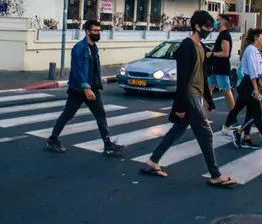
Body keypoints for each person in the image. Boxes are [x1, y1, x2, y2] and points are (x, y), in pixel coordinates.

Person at [140, 10, 237, 188]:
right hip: (189, 96)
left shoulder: (201, 47)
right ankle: (215, 175)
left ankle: (153, 161)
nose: (210, 30)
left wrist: (209, 99)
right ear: (197, 26)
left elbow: (202, 74)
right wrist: (181, 104)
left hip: (197, 94)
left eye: (211, 26)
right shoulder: (187, 46)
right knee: (206, 133)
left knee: (177, 130)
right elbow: (183, 79)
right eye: (207, 27)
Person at [46, 20, 125, 155]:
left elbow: (93, 68)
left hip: (92, 88)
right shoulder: (79, 48)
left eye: (99, 31)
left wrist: (97, 81)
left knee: (101, 115)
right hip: (78, 89)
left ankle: (107, 144)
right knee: (68, 115)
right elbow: (77, 69)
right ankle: (53, 139)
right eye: (95, 31)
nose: (98, 33)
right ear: (87, 31)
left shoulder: (94, 47)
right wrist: (85, 87)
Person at [224, 28, 262, 149]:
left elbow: (258, 71)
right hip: (248, 83)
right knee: (256, 113)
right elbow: (253, 71)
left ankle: (246, 137)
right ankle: (239, 132)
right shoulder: (251, 50)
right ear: (256, 38)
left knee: (251, 112)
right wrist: (256, 89)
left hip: (250, 82)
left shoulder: (253, 50)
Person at [206, 15, 235, 113]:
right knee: (208, 90)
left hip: (222, 68)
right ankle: (203, 114)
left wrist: (212, 53)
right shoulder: (221, 35)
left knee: (227, 91)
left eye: (217, 20)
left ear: (222, 23)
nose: (215, 22)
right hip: (215, 68)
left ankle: (233, 116)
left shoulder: (225, 35)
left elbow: (225, 53)